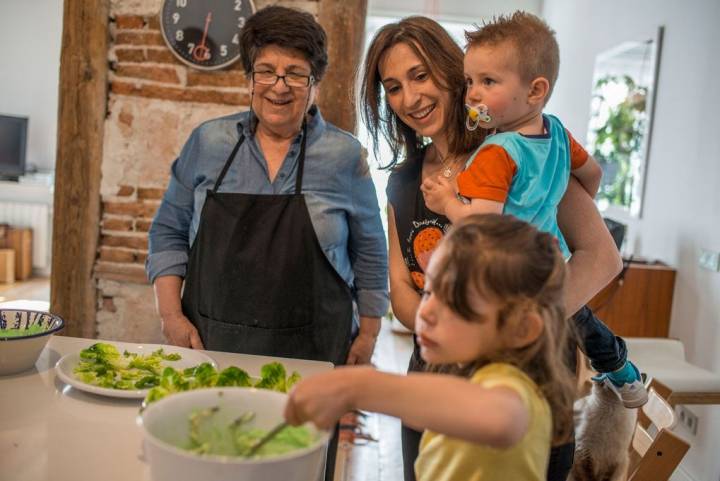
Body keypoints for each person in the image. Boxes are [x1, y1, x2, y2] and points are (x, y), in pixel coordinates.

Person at [359, 16, 625, 481]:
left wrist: (515, 328)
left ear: (451, 71)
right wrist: (439, 328)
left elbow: (601, 258)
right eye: (393, 87)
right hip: (435, 367)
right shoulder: (403, 180)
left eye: (420, 75)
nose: (410, 98)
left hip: (527, 367)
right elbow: (401, 283)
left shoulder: (518, 151)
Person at [421, 11, 646, 407]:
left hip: (511, 274)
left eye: (488, 82)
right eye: (470, 81)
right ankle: (622, 370)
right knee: (579, 320)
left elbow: (484, 225)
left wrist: (446, 202)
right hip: (552, 261)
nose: (472, 94)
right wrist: (553, 196)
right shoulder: (557, 133)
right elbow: (592, 174)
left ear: (535, 90)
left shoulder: (497, 151)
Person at [146, 5, 388, 366]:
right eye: (266, 72)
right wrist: (170, 317)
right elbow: (168, 232)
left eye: (295, 74)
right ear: (249, 79)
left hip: (315, 352)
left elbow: (370, 252)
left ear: (314, 85)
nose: (279, 86)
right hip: (211, 348)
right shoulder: (209, 143)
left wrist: (368, 335)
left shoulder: (344, 156)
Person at [285, 214, 578, 481]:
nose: (424, 312)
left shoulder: (513, 389)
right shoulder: (465, 378)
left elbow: (501, 419)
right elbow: (421, 412)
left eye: (452, 302)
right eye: (428, 291)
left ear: (521, 329)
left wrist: (356, 386)